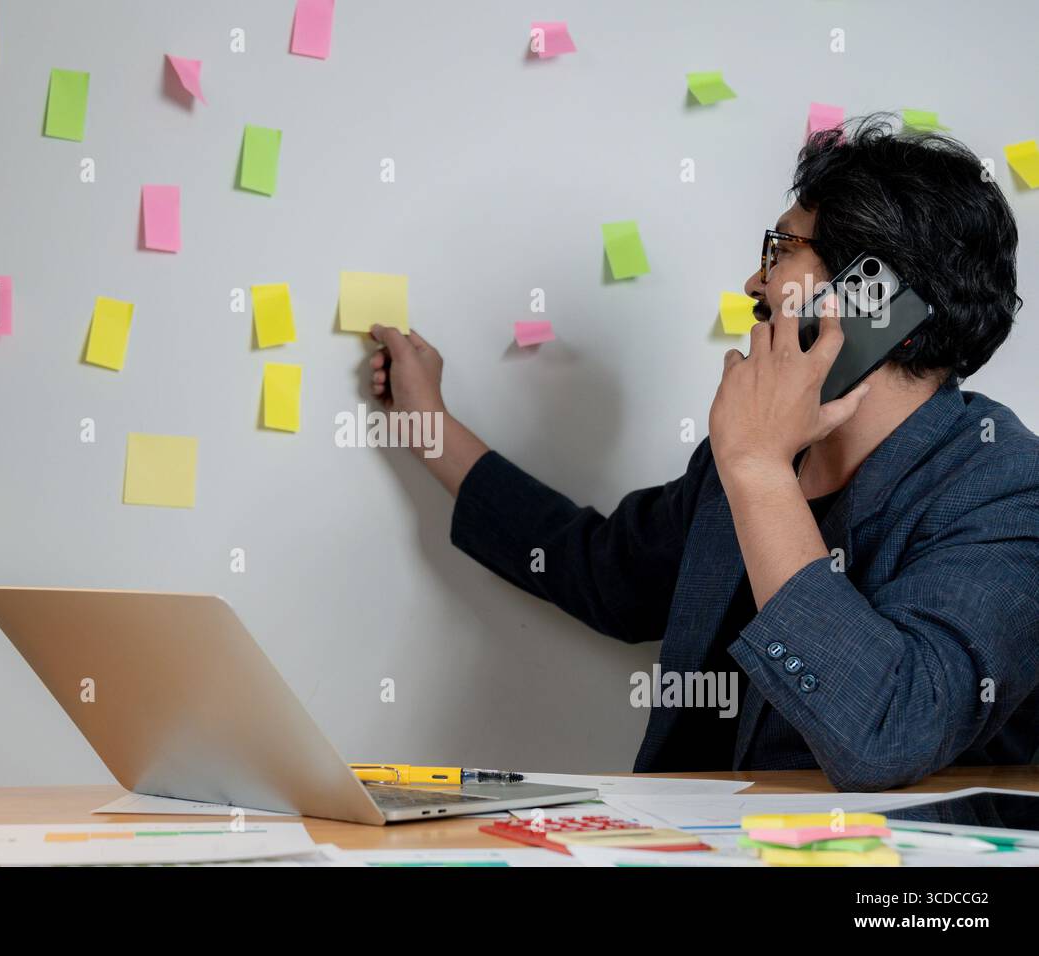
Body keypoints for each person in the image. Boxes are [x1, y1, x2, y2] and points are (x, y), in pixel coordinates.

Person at [365, 114, 1039, 790]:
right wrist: (430, 425)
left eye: (781, 252)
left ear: (871, 302)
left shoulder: (1007, 491)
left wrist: (759, 470)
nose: (754, 283)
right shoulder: (742, 466)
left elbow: (888, 732)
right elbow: (599, 572)